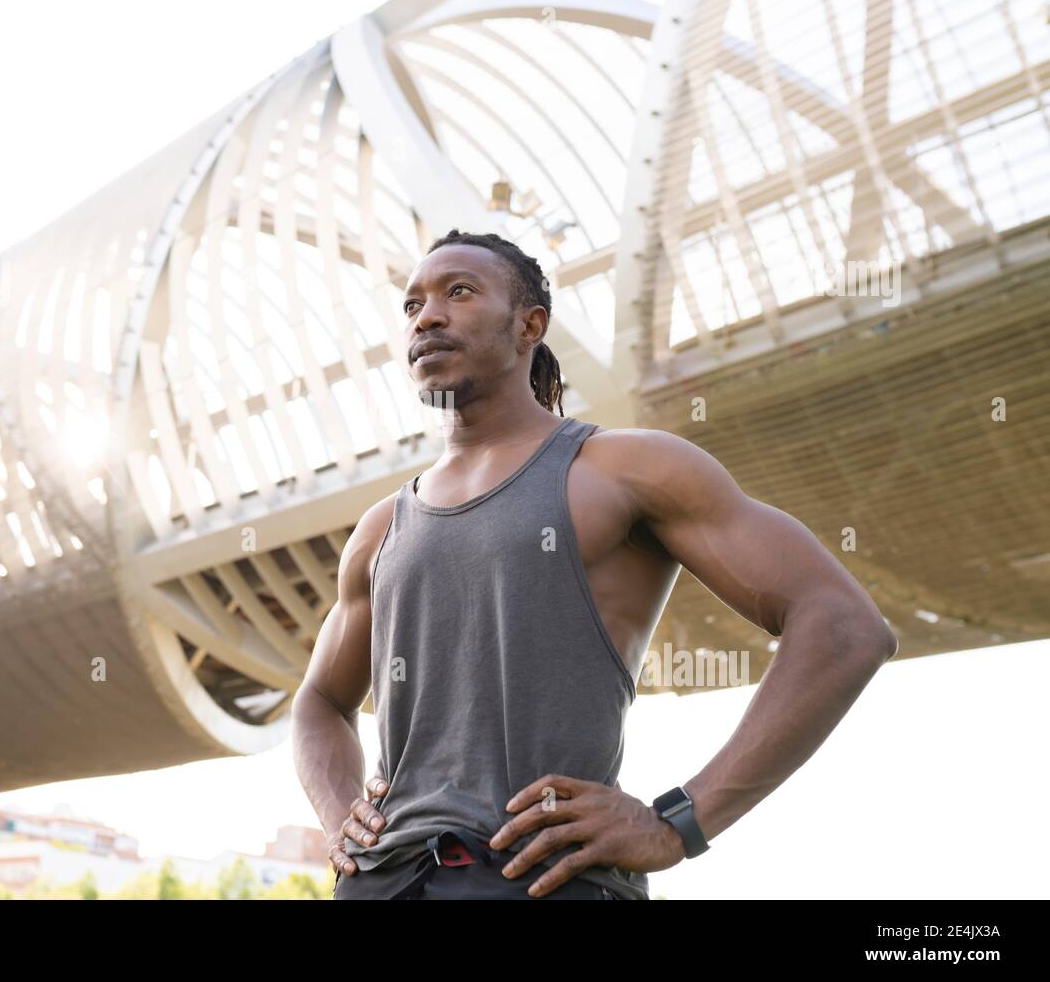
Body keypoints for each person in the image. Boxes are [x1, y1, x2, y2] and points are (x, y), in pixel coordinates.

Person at [291, 229, 898, 900]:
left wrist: (680, 821)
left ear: (531, 324)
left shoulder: (627, 469)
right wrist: (337, 811)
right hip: (383, 881)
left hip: (546, 875)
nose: (427, 315)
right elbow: (319, 701)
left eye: (458, 292)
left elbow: (842, 626)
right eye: (412, 306)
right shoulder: (380, 529)